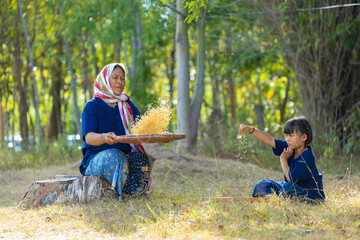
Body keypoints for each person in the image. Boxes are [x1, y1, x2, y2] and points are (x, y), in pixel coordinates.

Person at [80, 63, 155, 200]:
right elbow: (89, 137)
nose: (120, 81)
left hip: (124, 157)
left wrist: (155, 133)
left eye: (122, 78)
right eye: (115, 77)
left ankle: (137, 192)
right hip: (96, 160)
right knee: (114, 156)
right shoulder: (92, 106)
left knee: (142, 159)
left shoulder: (127, 105)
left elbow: (140, 129)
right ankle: (122, 195)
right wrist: (104, 137)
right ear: (105, 80)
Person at [238, 116, 325, 202]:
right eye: (286, 136)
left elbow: (291, 179)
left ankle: (278, 198)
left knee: (288, 188)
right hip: (291, 188)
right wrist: (250, 130)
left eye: (291, 135)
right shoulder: (290, 147)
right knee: (263, 184)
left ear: (304, 137)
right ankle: (271, 198)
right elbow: (270, 141)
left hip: (311, 194)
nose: (287, 139)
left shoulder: (307, 156)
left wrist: (283, 159)